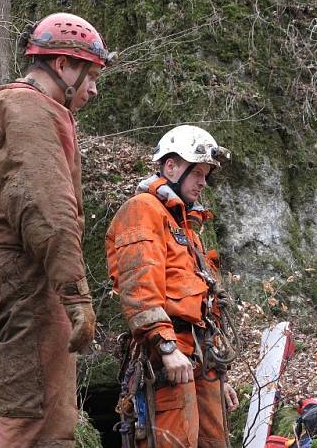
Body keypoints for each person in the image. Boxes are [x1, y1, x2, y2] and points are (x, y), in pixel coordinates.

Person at [0, 13, 114, 446]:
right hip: (22, 280)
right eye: (91, 75)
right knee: (41, 430)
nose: (94, 89)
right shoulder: (33, 107)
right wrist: (75, 293)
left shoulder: (3, 107)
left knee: (12, 425)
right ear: (63, 66)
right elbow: (45, 207)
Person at [106, 125, 240, 448]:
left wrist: (218, 375)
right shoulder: (144, 210)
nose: (202, 182)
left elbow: (204, 300)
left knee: (214, 442)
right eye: (197, 172)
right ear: (171, 167)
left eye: (206, 175)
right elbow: (139, 284)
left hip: (200, 357)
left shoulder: (188, 229)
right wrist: (166, 347)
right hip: (169, 355)